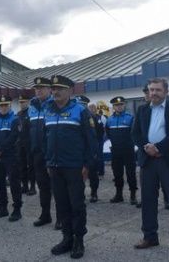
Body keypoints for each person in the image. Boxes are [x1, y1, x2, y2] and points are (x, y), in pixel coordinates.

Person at [131, 77, 169, 256]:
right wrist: (147, 147)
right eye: (151, 90)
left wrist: (159, 148)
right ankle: (150, 237)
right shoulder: (142, 110)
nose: (154, 93)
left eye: (157, 90)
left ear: (166, 92)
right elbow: (135, 133)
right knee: (148, 200)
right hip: (148, 161)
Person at [47, 75, 97, 259]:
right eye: (53, 88)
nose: (56, 92)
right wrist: (48, 161)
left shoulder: (81, 111)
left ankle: (78, 240)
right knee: (61, 204)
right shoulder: (49, 111)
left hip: (74, 166)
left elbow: (91, 139)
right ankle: (66, 238)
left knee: (77, 205)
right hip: (55, 166)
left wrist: (88, 164)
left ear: (69, 91)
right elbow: (47, 139)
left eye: (60, 89)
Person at [29, 77, 61, 229]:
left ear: (50, 89)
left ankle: (61, 217)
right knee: (42, 186)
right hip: (37, 153)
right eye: (36, 88)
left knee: (57, 187)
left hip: (53, 154)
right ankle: (45, 214)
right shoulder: (32, 107)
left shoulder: (55, 105)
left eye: (42, 87)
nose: (39, 90)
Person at [0, 95, 22, 222]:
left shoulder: (15, 119)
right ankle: (3, 208)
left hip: (11, 157)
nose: (3, 107)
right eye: (1, 105)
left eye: (5, 105)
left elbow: (14, 137)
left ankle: (17, 209)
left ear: (10, 105)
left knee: (14, 184)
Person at [106, 96, 138, 205]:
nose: (119, 107)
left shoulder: (130, 118)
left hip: (128, 151)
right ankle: (119, 195)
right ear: (113, 107)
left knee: (131, 174)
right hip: (116, 151)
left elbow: (133, 134)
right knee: (117, 174)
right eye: (117, 105)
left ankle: (133, 196)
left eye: (121, 104)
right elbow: (109, 134)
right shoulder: (109, 120)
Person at [77, 96, 101, 203]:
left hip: (90, 149)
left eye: (83, 104)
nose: (81, 106)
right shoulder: (75, 117)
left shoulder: (93, 117)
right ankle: (79, 193)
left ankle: (94, 193)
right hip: (78, 150)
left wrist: (95, 149)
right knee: (78, 174)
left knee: (92, 173)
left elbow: (99, 134)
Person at [17, 94, 36, 196]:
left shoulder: (32, 112)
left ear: (28, 102)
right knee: (22, 166)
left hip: (30, 143)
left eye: (23, 102)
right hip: (20, 144)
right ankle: (24, 186)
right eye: (20, 102)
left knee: (31, 166)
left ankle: (32, 186)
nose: (22, 104)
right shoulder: (18, 114)